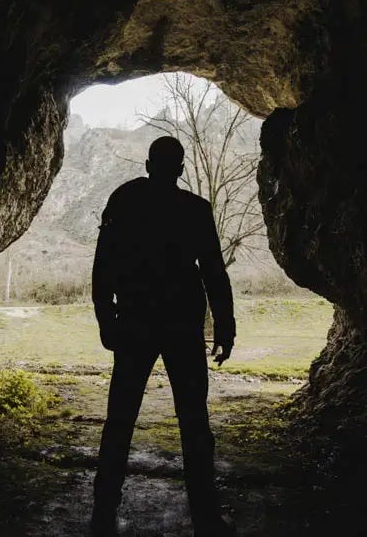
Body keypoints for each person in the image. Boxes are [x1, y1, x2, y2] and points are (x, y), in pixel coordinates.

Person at [91, 136, 236, 536]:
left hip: (136, 321)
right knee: (193, 419)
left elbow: (103, 264)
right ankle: (205, 513)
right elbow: (212, 271)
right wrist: (224, 325)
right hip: (182, 325)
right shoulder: (195, 209)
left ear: (148, 164)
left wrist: (106, 319)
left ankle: (104, 507)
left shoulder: (125, 199)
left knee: (120, 417)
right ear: (182, 168)